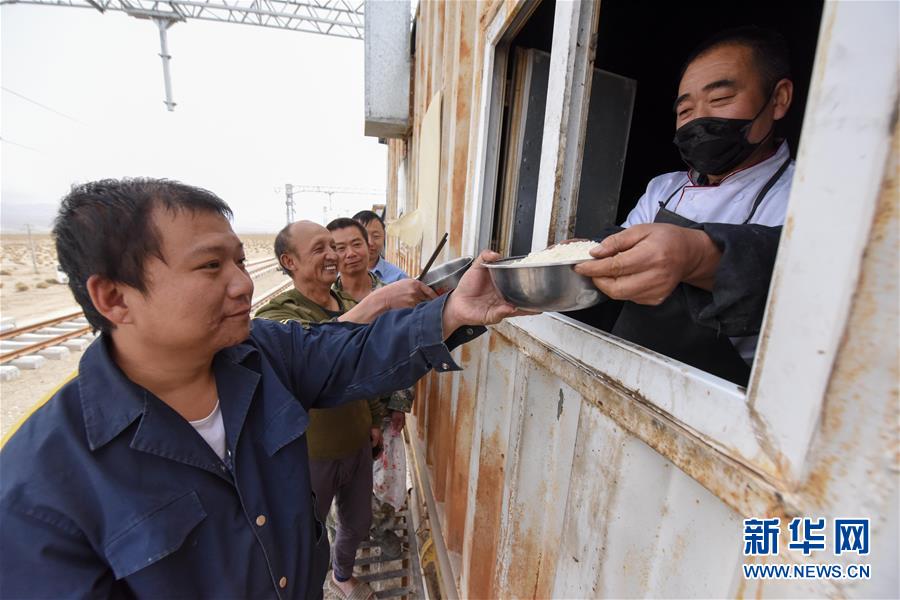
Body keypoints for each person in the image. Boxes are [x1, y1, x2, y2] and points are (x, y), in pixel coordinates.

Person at [0, 178, 523, 599]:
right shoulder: (37, 489)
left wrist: (452, 312)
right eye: (211, 265)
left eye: (240, 261)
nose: (243, 283)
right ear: (115, 298)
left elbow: (352, 350)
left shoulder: (262, 351)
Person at [574, 26, 794, 386]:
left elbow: (803, 283)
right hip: (623, 373)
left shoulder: (807, 198)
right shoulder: (664, 187)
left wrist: (697, 257)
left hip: (712, 399)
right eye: (686, 110)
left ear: (779, 98)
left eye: (720, 99)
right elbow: (617, 253)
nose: (699, 119)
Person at [254, 219, 431, 598]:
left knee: (357, 520)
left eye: (331, 247)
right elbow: (308, 350)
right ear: (289, 261)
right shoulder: (277, 317)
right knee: (306, 530)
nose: (333, 256)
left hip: (356, 442)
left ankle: (341, 573)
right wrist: (379, 303)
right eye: (319, 249)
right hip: (311, 452)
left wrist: (373, 419)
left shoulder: (349, 305)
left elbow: (367, 370)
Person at [327, 217, 413, 560]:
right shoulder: (326, 300)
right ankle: (342, 534)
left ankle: (384, 529)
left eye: (356, 244)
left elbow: (407, 350)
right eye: (339, 247)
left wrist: (400, 402)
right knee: (341, 477)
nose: (350, 254)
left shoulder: (392, 295)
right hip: (342, 411)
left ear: (369, 246)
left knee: (387, 475)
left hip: (385, 403)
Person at [352, 210, 409, 283]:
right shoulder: (340, 275)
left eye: (376, 236)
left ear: (384, 237)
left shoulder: (399, 278)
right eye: (364, 236)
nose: (370, 242)